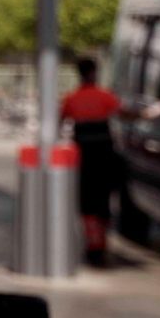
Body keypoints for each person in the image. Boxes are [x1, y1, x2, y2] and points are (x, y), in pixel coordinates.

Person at [60, 57, 122, 265]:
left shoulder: (71, 98)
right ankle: (100, 243)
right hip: (104, 154)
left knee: (86, 199)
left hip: (83, 156)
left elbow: (60, 120)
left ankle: (92, 241)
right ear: (94, 72)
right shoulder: (105, 96)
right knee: (103, 198)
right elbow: (123, 113)